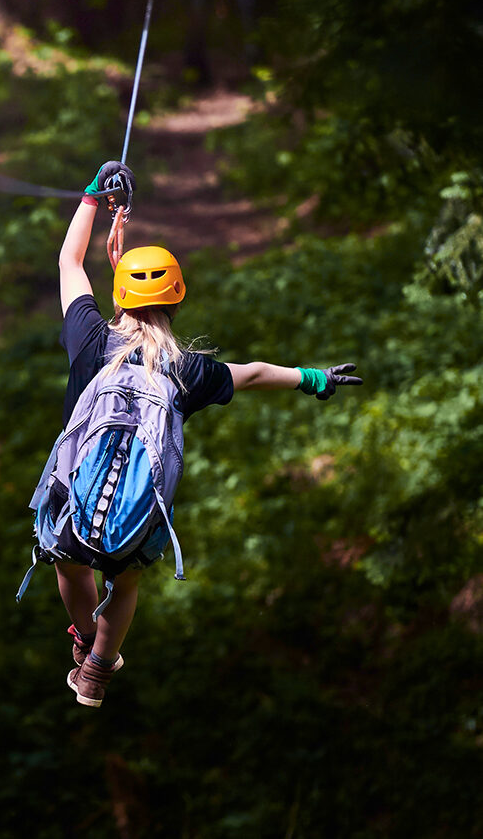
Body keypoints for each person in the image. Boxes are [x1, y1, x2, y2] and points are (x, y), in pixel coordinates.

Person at [49, 161, 362, 707]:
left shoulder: (90, 340)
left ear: (119, 295)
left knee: (70, 563)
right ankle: (99, 667)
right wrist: (313, 378)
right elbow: (257, 372)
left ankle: (84, 642)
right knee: (124, 581)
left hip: (73, 501)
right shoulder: (187, 370)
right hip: (137, 511)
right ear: (177, 299)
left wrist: (93, 196)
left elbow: (69, 261)